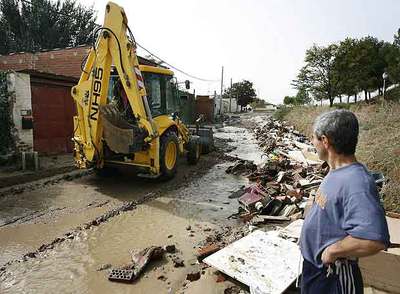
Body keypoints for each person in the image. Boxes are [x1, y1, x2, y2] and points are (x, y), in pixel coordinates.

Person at [299, 109, 390, 294]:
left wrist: (332, 251)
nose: (312, 143)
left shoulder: (356, 182)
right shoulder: (337, 170)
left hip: (333, 277)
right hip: (315, 270)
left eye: (315, 139)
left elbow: (374, 239)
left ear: (325, 141)